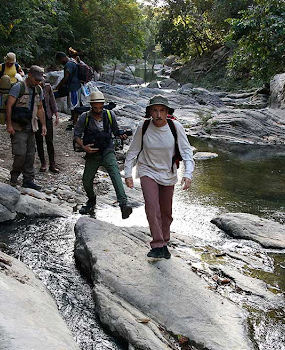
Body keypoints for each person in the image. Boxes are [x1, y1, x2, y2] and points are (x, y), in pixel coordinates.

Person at [124, 95, 194, 259]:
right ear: (149, 112)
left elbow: (186, 152)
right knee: (151, 207)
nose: (158, 114)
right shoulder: (144, 126)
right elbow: (133, 150)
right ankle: (157, 244)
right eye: (154, 110)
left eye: (162, 110)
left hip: (168, 173)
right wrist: (128, 173)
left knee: (166, 212)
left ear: (167, 112)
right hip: (147, 170)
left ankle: (164, 240)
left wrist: (188, 174)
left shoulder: (175, 127)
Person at [74, 91, 132, 219]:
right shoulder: (85, 117)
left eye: (101, 107)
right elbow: (76, 135)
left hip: (107, 150)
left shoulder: (110, 115)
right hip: (92, 152)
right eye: (96, 108)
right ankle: (91, 200)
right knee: (86, 180)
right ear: (91, 106)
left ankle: (123, 204)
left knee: (115, 173)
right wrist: (84, 147)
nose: (98, 110)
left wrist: (121, 134)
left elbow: (115, 131)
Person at [5, 65, 46, 190]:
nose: (38, 82)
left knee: (30, 155)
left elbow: (40, 108)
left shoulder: (38, 89)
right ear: (29, 76)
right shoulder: (18, 87)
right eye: (36, 80)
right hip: (18, 127)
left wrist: (43, 125)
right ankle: (14, 177)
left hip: (31, 126)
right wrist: (9, 125)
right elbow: (9, 106)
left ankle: (28, 180)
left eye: (40, 80)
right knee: (20, 154)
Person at [35, 68, 60, 173]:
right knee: (39, 141)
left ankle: (52, 163)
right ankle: (43, 163)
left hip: (48, 116)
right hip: (36, 118)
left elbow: (52, 102)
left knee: (49, 141)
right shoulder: (33, 88)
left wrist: (57, 115)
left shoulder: (48, 88)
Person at [54, 51, 82, 130]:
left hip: (73, 87)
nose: (60, 62)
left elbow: (66, 78)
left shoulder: (68, 65)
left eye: (59, 60)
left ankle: (75, 124)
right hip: (75, 86)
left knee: (74, 105)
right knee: (73, 104)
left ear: (62, 58)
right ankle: (73, 119)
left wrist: (58, 86)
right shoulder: (73, 62)